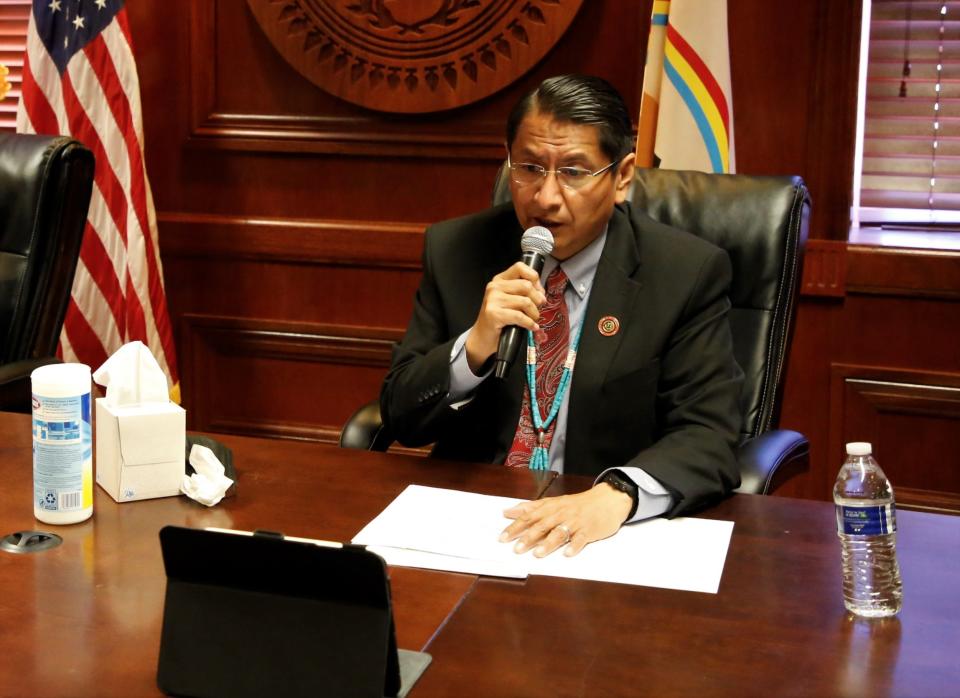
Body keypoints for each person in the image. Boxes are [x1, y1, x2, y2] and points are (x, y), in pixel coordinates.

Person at [380, 74, 743, 558]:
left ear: (623, 176)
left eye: (573, 172)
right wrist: (474, 346)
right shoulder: (457, 251)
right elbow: (400, 416)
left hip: (603, 529)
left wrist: (616, 496)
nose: (545, 197)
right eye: (529, 167)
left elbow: (708, 434)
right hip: (472, 521)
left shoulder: (684, 273)